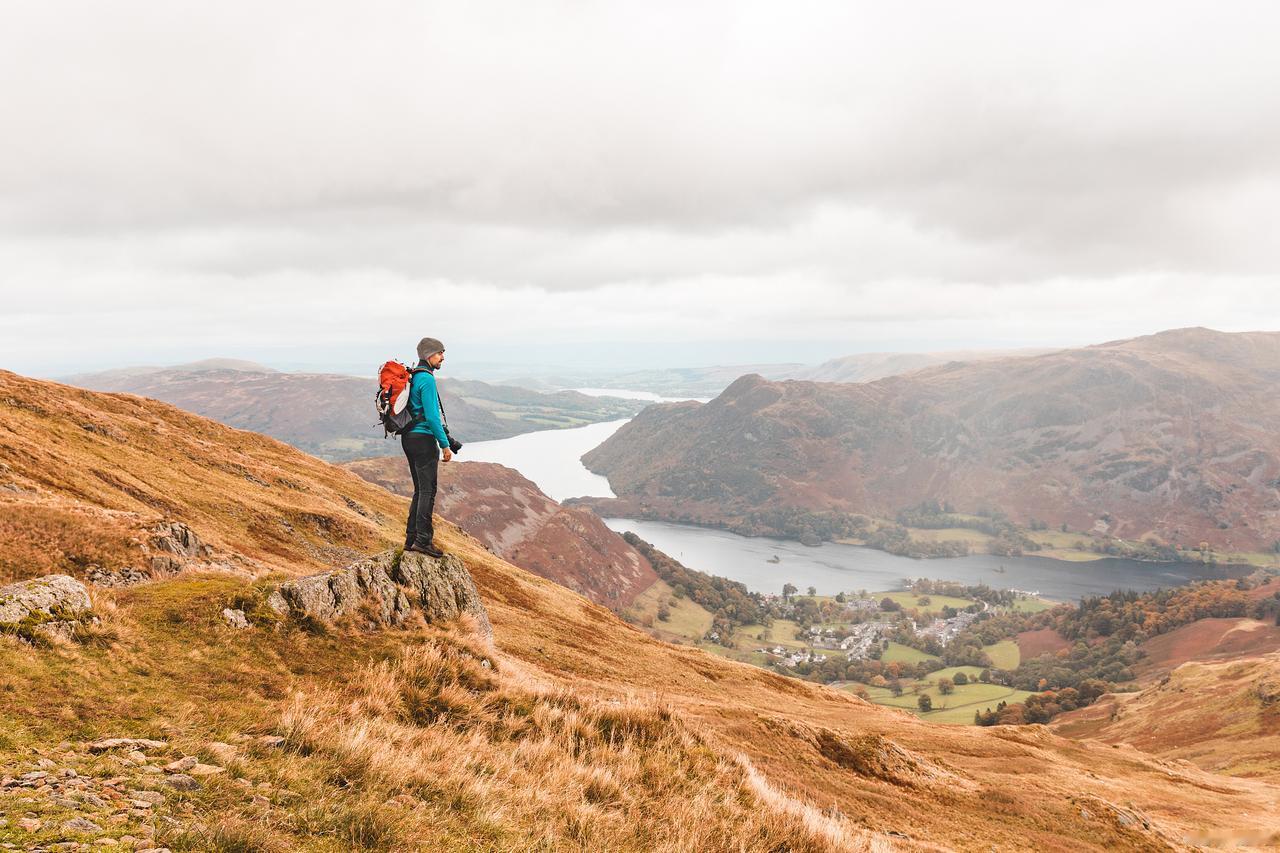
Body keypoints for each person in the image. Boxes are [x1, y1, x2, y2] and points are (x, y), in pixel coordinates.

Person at [402, 336, 453, 557]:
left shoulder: (413, 376)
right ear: (428, 355)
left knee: (419, 491)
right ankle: (423, 541)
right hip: (423, 440)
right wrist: (445, 445)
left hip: (409, 438)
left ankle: (411, 539)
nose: (443, 357)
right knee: (428, 491)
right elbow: (432, 418)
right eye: (440, 353)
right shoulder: (427, 380)